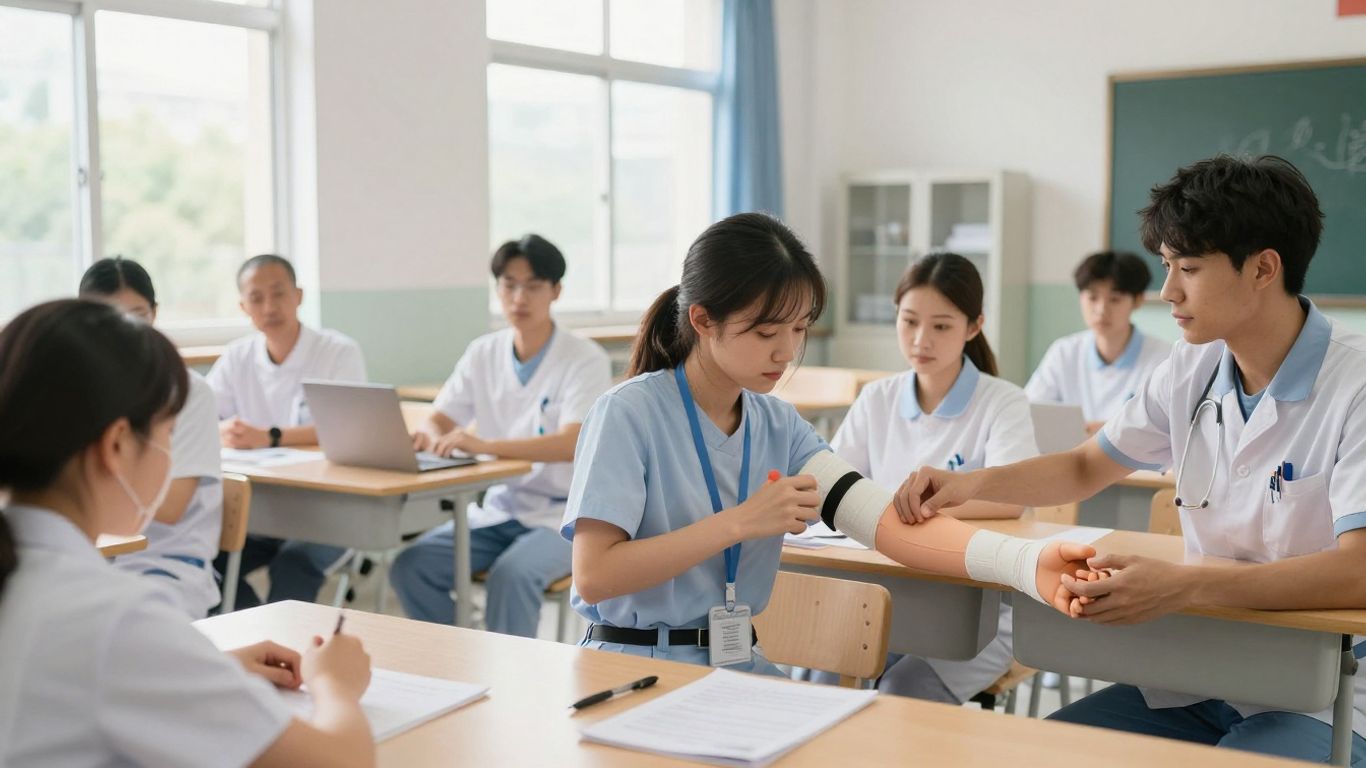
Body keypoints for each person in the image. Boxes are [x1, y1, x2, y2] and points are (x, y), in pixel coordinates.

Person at [896, 155, 1366, 764]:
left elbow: (1358, 571)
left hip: (1327, 693)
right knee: (1042, 753)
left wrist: (1183, 585)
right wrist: (969, 483)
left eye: (1188, 269)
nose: (1168, 292)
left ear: (1262, 268)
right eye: (1167, 267)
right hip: (1207, 674)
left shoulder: (1354, 385)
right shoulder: (1191, 366)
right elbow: (1085, 467)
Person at [560, 212, 1094, 673]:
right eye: (767, 332)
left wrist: (1026, 563)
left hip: (733, 659)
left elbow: (885, 521)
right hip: (632, 663)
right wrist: (740, 523)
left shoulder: (779, 425)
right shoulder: (627, 414)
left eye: (799, 330)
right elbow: (595, 574)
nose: (786, 352)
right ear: (703, 319)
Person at [0, 299, 374, 768]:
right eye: (169, 434)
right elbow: (340, 761)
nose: (172, 454)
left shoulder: (38, 583)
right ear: (117, 446)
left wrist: (202, 669)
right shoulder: (115, 617)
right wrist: (335, 684)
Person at [824, 253, 1038, 702]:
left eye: (941, 326)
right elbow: (834, 482)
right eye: (909, 322)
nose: (921, 340)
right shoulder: (876, 398)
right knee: (828, 675)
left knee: (905, 689)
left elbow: (1012, 498)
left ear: (974, 327)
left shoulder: (1003, 401)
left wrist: (914, 507)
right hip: (887, 592)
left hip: (979, 610)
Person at [391, 235, 611, 637]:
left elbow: (572, 442)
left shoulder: (584, 358)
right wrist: (430, 435)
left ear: (556, 291)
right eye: (509, 285)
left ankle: (509, 672)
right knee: (412, 565)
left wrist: (485, 447)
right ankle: (457, 658)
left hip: (563, 517)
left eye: (533, 286)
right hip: (500, 509)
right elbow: (438, 418)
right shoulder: (483, 352)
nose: (519, 298)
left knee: (512, 575)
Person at [207, 254, 365, 608]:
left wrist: (270, 436)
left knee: (293, 565)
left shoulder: (337, 352)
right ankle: (254, 631)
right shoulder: (237, 356)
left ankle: (282, 641)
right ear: (243, 307)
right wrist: (224, 430)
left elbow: (348, 429)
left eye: (278, 293)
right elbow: (202, 417)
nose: (269, 307)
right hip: (262, 511)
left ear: (299, 295)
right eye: (256, 298)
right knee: (208, 563)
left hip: (330, 512)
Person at [79, 256, 224, 618]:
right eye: (109, 318)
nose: (126, 331)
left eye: (137, 316)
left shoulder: (188, 392)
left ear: (154, 314)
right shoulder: (80, 387)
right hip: (90, 560)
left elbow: (171, 507)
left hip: (163, 563)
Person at [1025, 251, 1169, 433]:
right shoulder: (1064, 352)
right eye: (1092, 298)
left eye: (1115, 299)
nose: (1101, 310)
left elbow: (1165, 430)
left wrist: (1106, 432)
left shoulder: (1164, 359)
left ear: (1138, 301)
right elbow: (1029, 411)